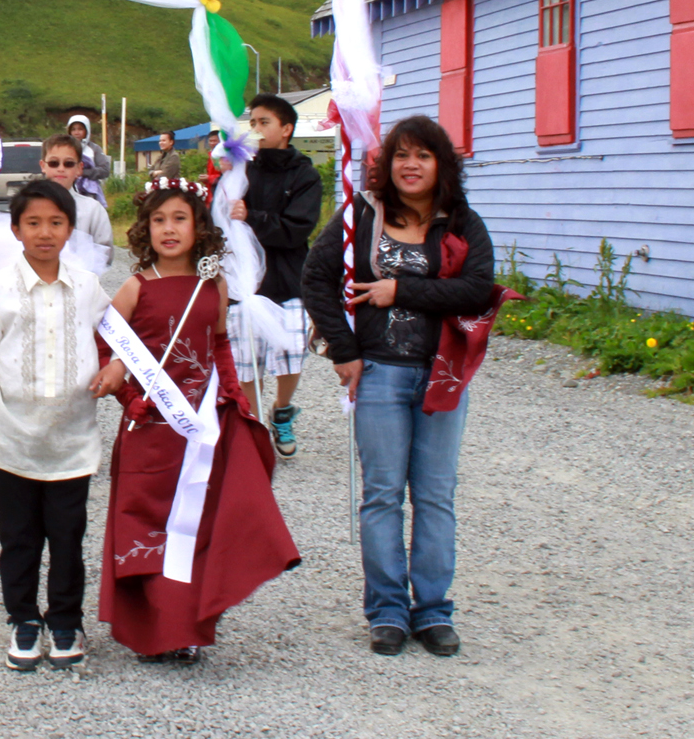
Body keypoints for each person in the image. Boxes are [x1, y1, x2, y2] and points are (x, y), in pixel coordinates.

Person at [300, 114, 502, 659]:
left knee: (435, 495)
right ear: (386, 164)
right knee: (383, 494)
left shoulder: (461, 222)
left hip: (443, 374)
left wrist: (401, 290)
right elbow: (316, 279)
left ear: (442, 166)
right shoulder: (361, 215)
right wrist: (344, 350)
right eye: (401, 155)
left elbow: (477, 290)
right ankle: (387, 610)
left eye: (424, 156)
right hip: (381, 373)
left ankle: (433, 612)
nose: (411, 166)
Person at [95, 178, 299, 664]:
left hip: (203, 429)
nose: (169, 229)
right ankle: (150, 629)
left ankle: (186, 626)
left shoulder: (216, 285)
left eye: (179, 219)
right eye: (159, 220)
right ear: (145, 228)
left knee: (199, 525)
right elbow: (108, 346)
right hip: (151, 432)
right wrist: (129, 398)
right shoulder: (134, 287)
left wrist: (233, 393)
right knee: (148, 526)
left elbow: (220, 345)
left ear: (198, 228)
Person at [0, 180, 113, 672]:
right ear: (16, 229)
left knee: (69, 536)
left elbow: (115, 343)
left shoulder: (88, 288)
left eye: (55, 222)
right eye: (33, 223)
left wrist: (113, 374)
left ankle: (66, 620)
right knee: (20, 538)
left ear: (70, 229)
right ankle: (24, 620)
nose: (44, 233)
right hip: (14, 440)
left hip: (72, 439)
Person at [227, 93, 323, 458]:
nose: (255, 129)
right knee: (247, 357)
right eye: (251, 123)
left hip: (286, 278)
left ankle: (281, 410)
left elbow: (297, 229)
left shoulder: (305, 174)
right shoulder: (240, 169)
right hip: (246, 279)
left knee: (291, 349)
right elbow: (221, 215)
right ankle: (253, 423)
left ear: (286, 129)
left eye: (263, 122)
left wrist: (253, 217)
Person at [39, 133, 114, 270]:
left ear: (79, 168)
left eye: (68, 164)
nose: (61, 168)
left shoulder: (93, 210)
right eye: (54, 163)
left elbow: (104, 252)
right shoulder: (30, 207)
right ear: (43, 165)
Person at [66, 115, 109, 206]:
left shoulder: (94, 149)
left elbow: (105, 170)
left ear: (87, 130)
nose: (76, 132)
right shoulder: (65, 148)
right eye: (73, 129)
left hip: (89, 193)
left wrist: (84, 172)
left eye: (80, 129)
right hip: (68, 190)